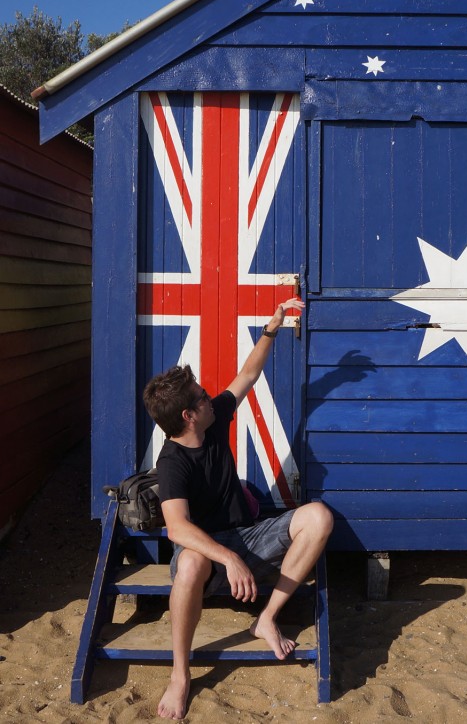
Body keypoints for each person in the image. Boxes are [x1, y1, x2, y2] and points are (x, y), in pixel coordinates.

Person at [142, 299, 333, 721]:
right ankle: (181, 674)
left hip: (247, 537)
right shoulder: (172, 463)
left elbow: (248, 374)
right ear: (189, 416)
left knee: (318, 516)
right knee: (190, 562)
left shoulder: (214, 419)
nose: (212, 396)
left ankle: (266, 619)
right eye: (202, 397)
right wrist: (226, 558)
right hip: (208, 556)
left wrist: (272, 328)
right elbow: (176, 529)